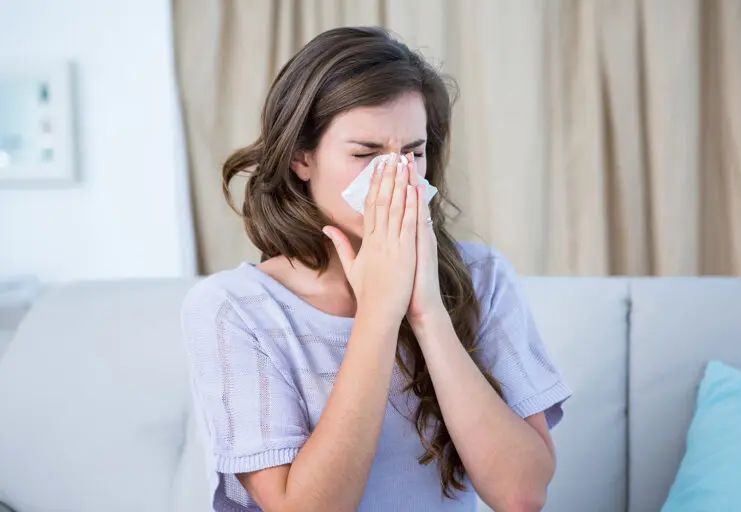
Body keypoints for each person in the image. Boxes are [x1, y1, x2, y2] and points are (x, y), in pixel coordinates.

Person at [181, 26, 571, 512]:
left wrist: (427, 313)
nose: (395, 177)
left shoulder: (483, 276)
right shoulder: (234, 310)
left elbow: (521, 495)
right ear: (303, 157)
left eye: (413, 153)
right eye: (365, 154)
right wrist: (379, 314)